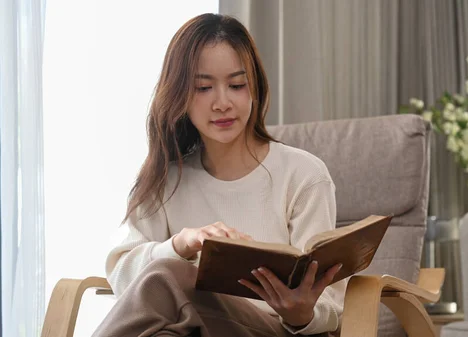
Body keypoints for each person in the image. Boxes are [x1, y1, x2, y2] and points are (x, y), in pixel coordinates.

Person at [92, 13, 346, 337]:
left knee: (172, 275)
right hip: (193, 329)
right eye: (203, 88)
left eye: (237, 85)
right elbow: (122, 272)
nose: (222, 102)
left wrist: (301, 313)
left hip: (275, 331)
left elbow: (331, 304)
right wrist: (181, 244)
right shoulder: (166, 180)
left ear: (254, 88)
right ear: (179, 95)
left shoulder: (304, 176)